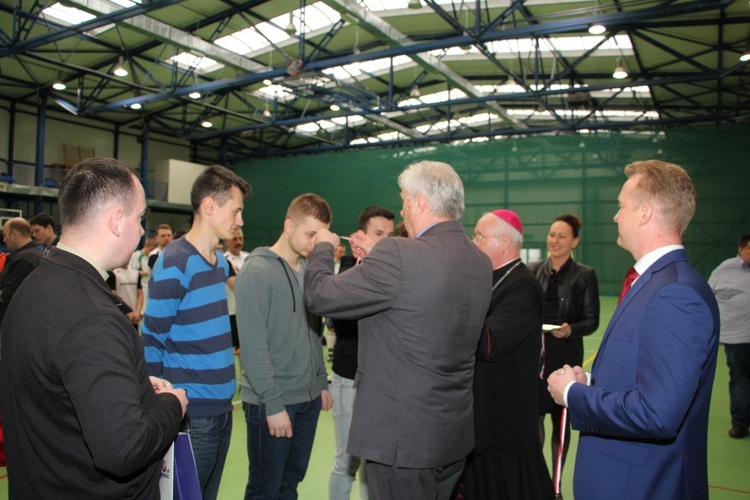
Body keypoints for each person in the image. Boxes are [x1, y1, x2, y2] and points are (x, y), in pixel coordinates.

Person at [0, 157, 187, 498]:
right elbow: (125, 449)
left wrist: (129, 386)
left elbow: (58, 385)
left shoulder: (36, 285)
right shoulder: (92, 318)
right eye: (140, 218)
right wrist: (172, 405)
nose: (142, 230)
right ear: (117, 220)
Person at [304, 160, 492, 499]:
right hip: (451, 435)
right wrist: (376, 260)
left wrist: (322, 248)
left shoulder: (398, 253)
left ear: (420, 202)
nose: (403, 209)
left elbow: (319, 296)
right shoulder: (478, 260)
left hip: (401, 442)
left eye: (405, 199)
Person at [547, 160, 720, 499]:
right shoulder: (651, 283)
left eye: (621, 206)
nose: (615, 216)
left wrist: (573, 395)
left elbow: (657, 413)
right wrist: (592, 386)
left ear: (644, 213)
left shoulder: (675, 293)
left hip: (642, 486)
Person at [142, 165, 251, 500]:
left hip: (223, 408)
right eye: (236, 211)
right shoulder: (175, 260)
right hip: (192, 414)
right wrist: (158, 407)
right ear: (209, 206)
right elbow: (152, 339)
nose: (240, 221)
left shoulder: (218, 262)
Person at [235, 193, 333, 499]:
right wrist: (273, 404)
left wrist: (320, 383)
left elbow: (312, 332)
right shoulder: (256, 272)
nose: (315, 243)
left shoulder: (309, 272)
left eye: (321, 235)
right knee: (265, 488)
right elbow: (252, 346)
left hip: (308, 400)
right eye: (310, 234)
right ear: (289, 225)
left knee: (290, 485)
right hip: (272, 404)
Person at [455, 210, 553, 499]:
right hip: (483, 414)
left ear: (505, 242)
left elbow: (488, 344)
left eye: (480, 236)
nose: (474, 242)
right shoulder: (490, 277)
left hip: (505, 420)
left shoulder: (523, 287)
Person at [328, 205, 395, 500]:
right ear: (360, 236)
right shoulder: (347, 270)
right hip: (348, 377)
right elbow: (341, 317)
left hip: (381, 382)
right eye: (378, 234)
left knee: (375, 459)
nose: (385, 241)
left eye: (390, 235)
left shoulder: (394, 271)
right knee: (346, 459)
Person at [527, 214, 599, 470]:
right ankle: (537, 478)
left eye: (562, 236)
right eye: (552, 234)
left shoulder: (585, 275)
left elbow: (592, 320)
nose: (555, 241)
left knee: (560, 421)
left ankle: (556, 485)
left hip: (565, 356)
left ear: (574, 241)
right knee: (533, 421)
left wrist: (570, 330)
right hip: (535, 356)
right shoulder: (533, 270)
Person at [708, 234, 750, 439]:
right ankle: (740, 423)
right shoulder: (725, 270)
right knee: (741, 380)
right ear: (741, 250)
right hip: (737, 339)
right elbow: (708, 296)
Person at [0, 218, 43, 325]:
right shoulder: (31, 254)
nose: (4, 240)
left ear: (14, 234)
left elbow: (7, 295)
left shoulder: (25, 259)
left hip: (13, 322)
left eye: (5, 235)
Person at [224, 228, 250, 354]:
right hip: (232, 312)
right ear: (226, 241)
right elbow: (235, 285)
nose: (238, 242)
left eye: (240, 239)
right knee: (236, 351)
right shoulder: (224, 260)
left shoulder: (248, 257)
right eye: (235, 239)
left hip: (248, 311)